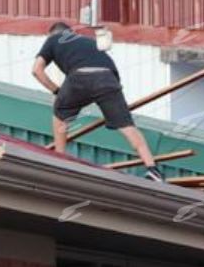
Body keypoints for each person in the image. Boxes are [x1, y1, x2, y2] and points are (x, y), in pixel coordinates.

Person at [31, 21, 163, 180]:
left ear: (53, 34)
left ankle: (60, 160)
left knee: (60, 114)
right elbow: (112, 72)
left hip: (79, 77)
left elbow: (36, 70)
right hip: (108, 80)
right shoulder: (88, 41)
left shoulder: (54, 39)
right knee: (127, 126)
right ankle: (152, 169)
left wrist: (57, 91)